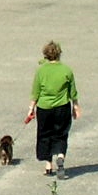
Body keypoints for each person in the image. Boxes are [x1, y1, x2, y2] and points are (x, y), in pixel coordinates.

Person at [28, 40, 80, 178]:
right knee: (61, 134)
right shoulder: (66, 70)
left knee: (44, 134)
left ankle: (48, 165)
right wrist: (75, 106)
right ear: (59, 54)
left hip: (44, 108)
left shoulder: (41, 70)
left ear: (45, 55)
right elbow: (72, 91)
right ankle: (61, 155)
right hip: (62, 107)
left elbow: (36, 91)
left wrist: (31, 109)